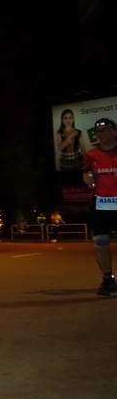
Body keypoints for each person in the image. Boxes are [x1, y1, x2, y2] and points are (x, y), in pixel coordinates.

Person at [83, 117, 117, 296]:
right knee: (100, 243)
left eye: (106, 130)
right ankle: (108, 279)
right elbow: (86, 174)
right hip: (101, 203)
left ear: (115, 132)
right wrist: (87, 179)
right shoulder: (91, 154)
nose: (101, 134)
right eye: (98, 131)